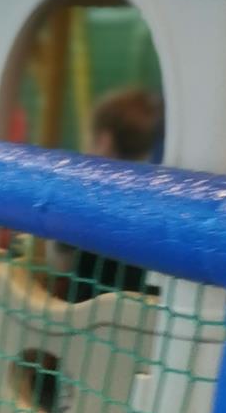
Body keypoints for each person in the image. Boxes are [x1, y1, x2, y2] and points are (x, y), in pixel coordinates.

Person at [52, 84, 164, 301]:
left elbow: (59, 265)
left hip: (87, 310)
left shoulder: (85, 195)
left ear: (104, 141)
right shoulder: (156, 200)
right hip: (143, 312)